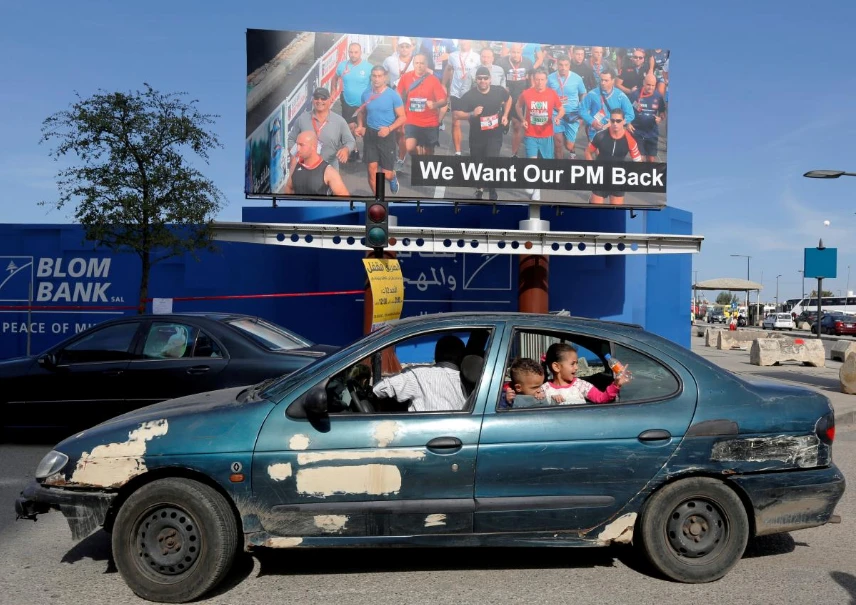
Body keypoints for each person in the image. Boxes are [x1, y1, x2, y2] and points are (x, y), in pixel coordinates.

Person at [454, 66, 511, 200]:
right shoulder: (470, 95)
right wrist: (471, 113)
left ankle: (492, 189)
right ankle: (479, 189)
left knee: (491, 160)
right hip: (477, 136)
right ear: (476, 80)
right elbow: (456, 114)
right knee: (478, 164)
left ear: (490, 79)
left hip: (494, 135)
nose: (483, 81)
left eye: (485, 78)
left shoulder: (498, 91)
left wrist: (506, 115)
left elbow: (509, 99)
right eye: (480, 78)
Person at [372, 334, 467, 412]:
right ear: (462, 358)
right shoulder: (471, 382)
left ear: (436, 355)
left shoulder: (419, 375)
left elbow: (379, 389)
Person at [355, 65, 407, 195]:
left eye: (379, 76)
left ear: (385, 78)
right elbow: (361, 112)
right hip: (370, 135)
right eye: (374, 76)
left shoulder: (393, 95)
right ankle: (378, 199)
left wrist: (389, 129)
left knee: (386, 173)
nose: (376, 79)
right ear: (371, 77)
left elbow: (402, 117)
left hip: (387, 135)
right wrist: (360, 125)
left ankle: (393, 176)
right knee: (371, 170)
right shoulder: (366, 94)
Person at [516, 68, 564, 201]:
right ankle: (533, 185)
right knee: (532, 162)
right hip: (530, 134)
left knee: (543, 164)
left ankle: (536, 188)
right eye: (537, 79)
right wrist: (522, 119)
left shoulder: (552, 94)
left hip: (547, 134)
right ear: (533, 80)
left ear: (546, 80)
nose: (539, 82)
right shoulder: (526, 94)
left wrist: (558, 117)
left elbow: (561, 109)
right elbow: (518, 106)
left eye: (542, 80)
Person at [287, 87, 355, 171]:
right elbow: (291, 140)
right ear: (313, 100)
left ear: (329, 100)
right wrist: (297, 154)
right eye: (316, 98)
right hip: (306, 168)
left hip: (329, 169)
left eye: (323, 98)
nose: (319, 101)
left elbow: (350, 141)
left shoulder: (339, 121)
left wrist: (346, 149)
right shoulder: (302, 119)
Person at [584, 108, 642, 205]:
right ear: (610, 121)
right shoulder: (600, 135)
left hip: (618, 178)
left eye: (618, 121)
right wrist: (592, 168)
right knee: (596, 211)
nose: (615, 123)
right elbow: (588, 151)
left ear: (624, 121)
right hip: (600, 176)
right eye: (612, 120)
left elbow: (638, 162)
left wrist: (631, 176)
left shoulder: (630, 140)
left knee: (615, 212)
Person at [540, 343, 629, 405]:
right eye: (572, 364)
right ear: (556, 367)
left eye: (577, 363)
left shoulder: (581, 385)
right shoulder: (544, 389)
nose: (577, 367)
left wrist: (616, 384)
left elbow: (601, 398)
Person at [397, 53, 447, 159]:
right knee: (410, 147)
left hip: (429, 121)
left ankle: (425, 167)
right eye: (417, 63)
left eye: (422, 63)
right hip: (412, 120)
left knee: (429, 152)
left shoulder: (433, 80)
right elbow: (397, 95)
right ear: (413, 64)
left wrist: (435, 104)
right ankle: (418, 159)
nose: (419, 66)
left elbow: (444, 101)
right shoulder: (405, 77)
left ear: (427, 64)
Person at [335, 43, 373, 161]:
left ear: (361, 52)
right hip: (347, 102)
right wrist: (333, 92)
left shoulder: (369, 67)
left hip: (364, 104)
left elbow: (377, 83)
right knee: (350, 128)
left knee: (366, 129)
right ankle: (354, 151)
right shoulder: (342, 66)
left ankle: (368, 153)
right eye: (351, 52)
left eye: (356, 52)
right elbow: (335, 78)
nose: (353, 55)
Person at [443, 39, 481, 155]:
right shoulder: (453, 56)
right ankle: (458, 152)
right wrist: (443, 85)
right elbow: (448, 69)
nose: (463, 42)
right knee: (455, 121)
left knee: (473, 121)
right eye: (462, 40)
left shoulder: (477, 56)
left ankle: (474, 147)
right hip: (456, 92)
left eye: (466, 40)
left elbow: (481, 74)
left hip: (471, 93)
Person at [284, 131, 350, 197]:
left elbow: (345, 198)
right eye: (297, 144)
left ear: (313, 146)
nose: (298, 149)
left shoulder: (328, 172)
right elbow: (289, 187)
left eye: (301, 145)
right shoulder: (295, 166)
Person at [547, 54, 586, 159]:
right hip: (556, 113)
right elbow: (545, 94)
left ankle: (572, 151)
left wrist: (582, 113)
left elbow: (583, 93)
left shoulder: (577, 78)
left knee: (568, 145)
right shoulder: (550, 78)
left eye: (566, 65)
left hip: (572, 113)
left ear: (569, 66)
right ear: (557, 65)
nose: (563, 67)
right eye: (560, 65)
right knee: (558, 143)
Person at [498, 43, 534, 157]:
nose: (515, 54)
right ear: (510, 52)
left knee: (517, 125)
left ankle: (514, 154)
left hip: (519, 98)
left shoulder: (528, 62)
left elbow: (532, 78)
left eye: (518, 52)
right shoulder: (501, 62)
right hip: (505, 97)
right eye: (513, 52)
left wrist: (531, 92)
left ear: (521, 52)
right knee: (501, 125)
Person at [580, 68, 635, 142]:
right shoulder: (592, 94)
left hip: (614, 131)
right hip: (595, 131)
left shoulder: (620, 96)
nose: (603, 83)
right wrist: (592, 121)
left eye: (606, 80)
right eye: (601, 80)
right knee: (599, 153)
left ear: (613, 81)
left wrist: (615, 123)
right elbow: (582, 110)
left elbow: (630, 114)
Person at [627, 74, 666, 162]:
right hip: (637, 131)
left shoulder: (658, 96)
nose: (651, 87)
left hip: (652, 132)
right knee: (640, 159)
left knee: (651, 159)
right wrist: (628, 123)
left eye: (653, 85)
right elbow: (626, 109)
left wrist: (660, 118)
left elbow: (662, 113)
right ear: (644, 83)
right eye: (648, 85)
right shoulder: (635, 94)